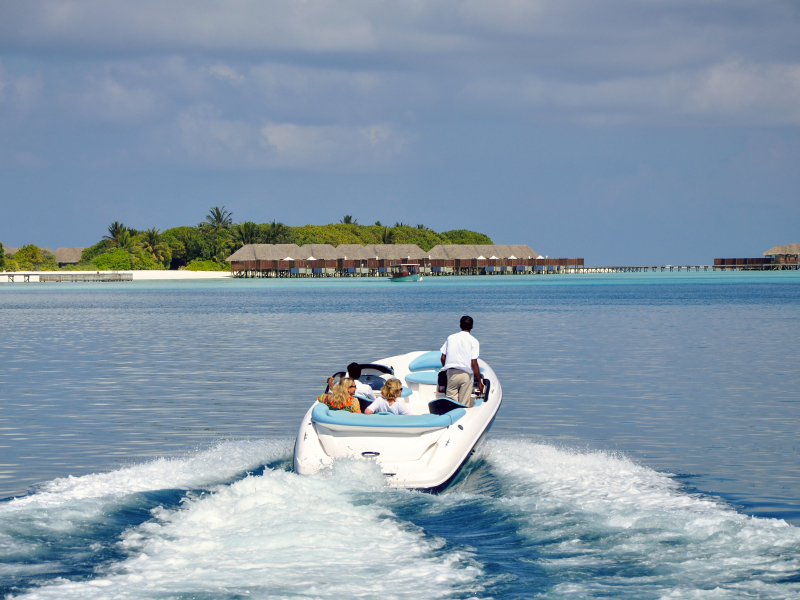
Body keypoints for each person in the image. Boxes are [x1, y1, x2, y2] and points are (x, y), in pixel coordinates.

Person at [440, 315, 484, 408]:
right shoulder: (474, 341)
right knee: (463, 404)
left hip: (452, 373)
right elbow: (474, 363)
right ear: (472, 326)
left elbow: (443, 358)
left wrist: (447, 370)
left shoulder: (450, 338)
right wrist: (479, 381)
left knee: (451, 404)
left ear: (460, 325)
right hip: (466, 375)